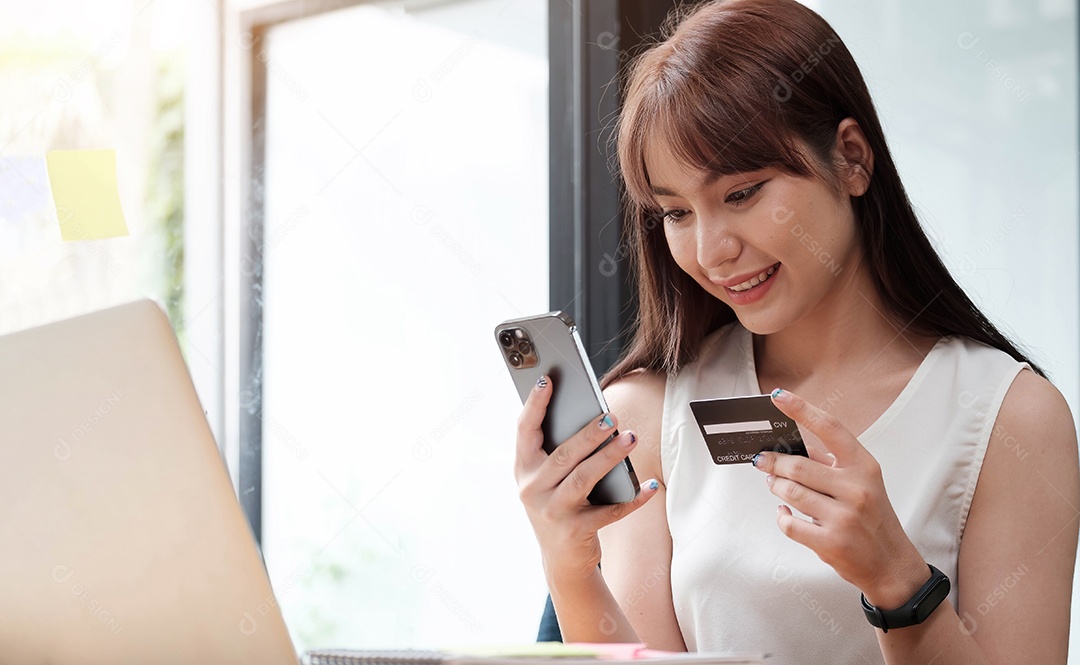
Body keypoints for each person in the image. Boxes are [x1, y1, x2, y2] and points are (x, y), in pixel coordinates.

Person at [513, 1, 1080, 663]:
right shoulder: (647, 413)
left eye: (743, 192)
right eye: (675, 212)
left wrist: (899, 583)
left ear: (851, 158)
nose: (711, 249)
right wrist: (569, 563)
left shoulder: (1012, 417)